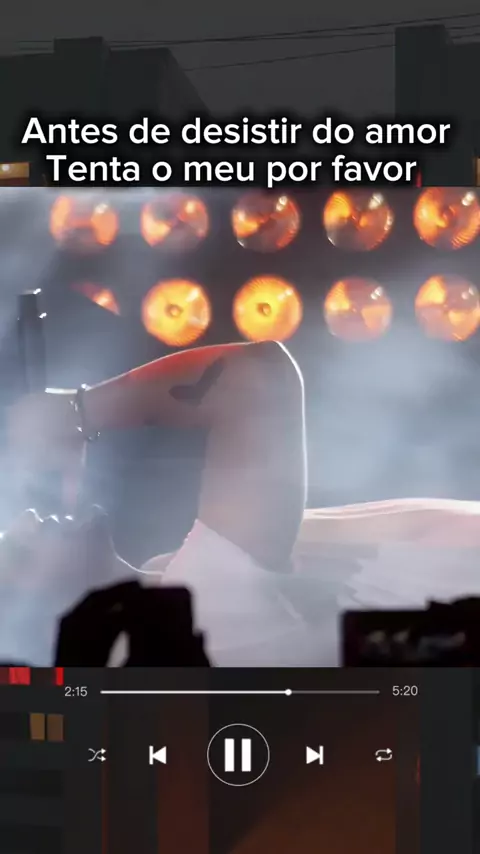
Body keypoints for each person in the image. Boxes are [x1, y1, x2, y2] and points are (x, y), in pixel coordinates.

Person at [4, 340, 320, 666]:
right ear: (40, 625)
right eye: (20, 552)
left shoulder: (174, 590)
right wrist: (75, 413)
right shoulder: (200, 600)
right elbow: (258, 376)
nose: (29, 518)